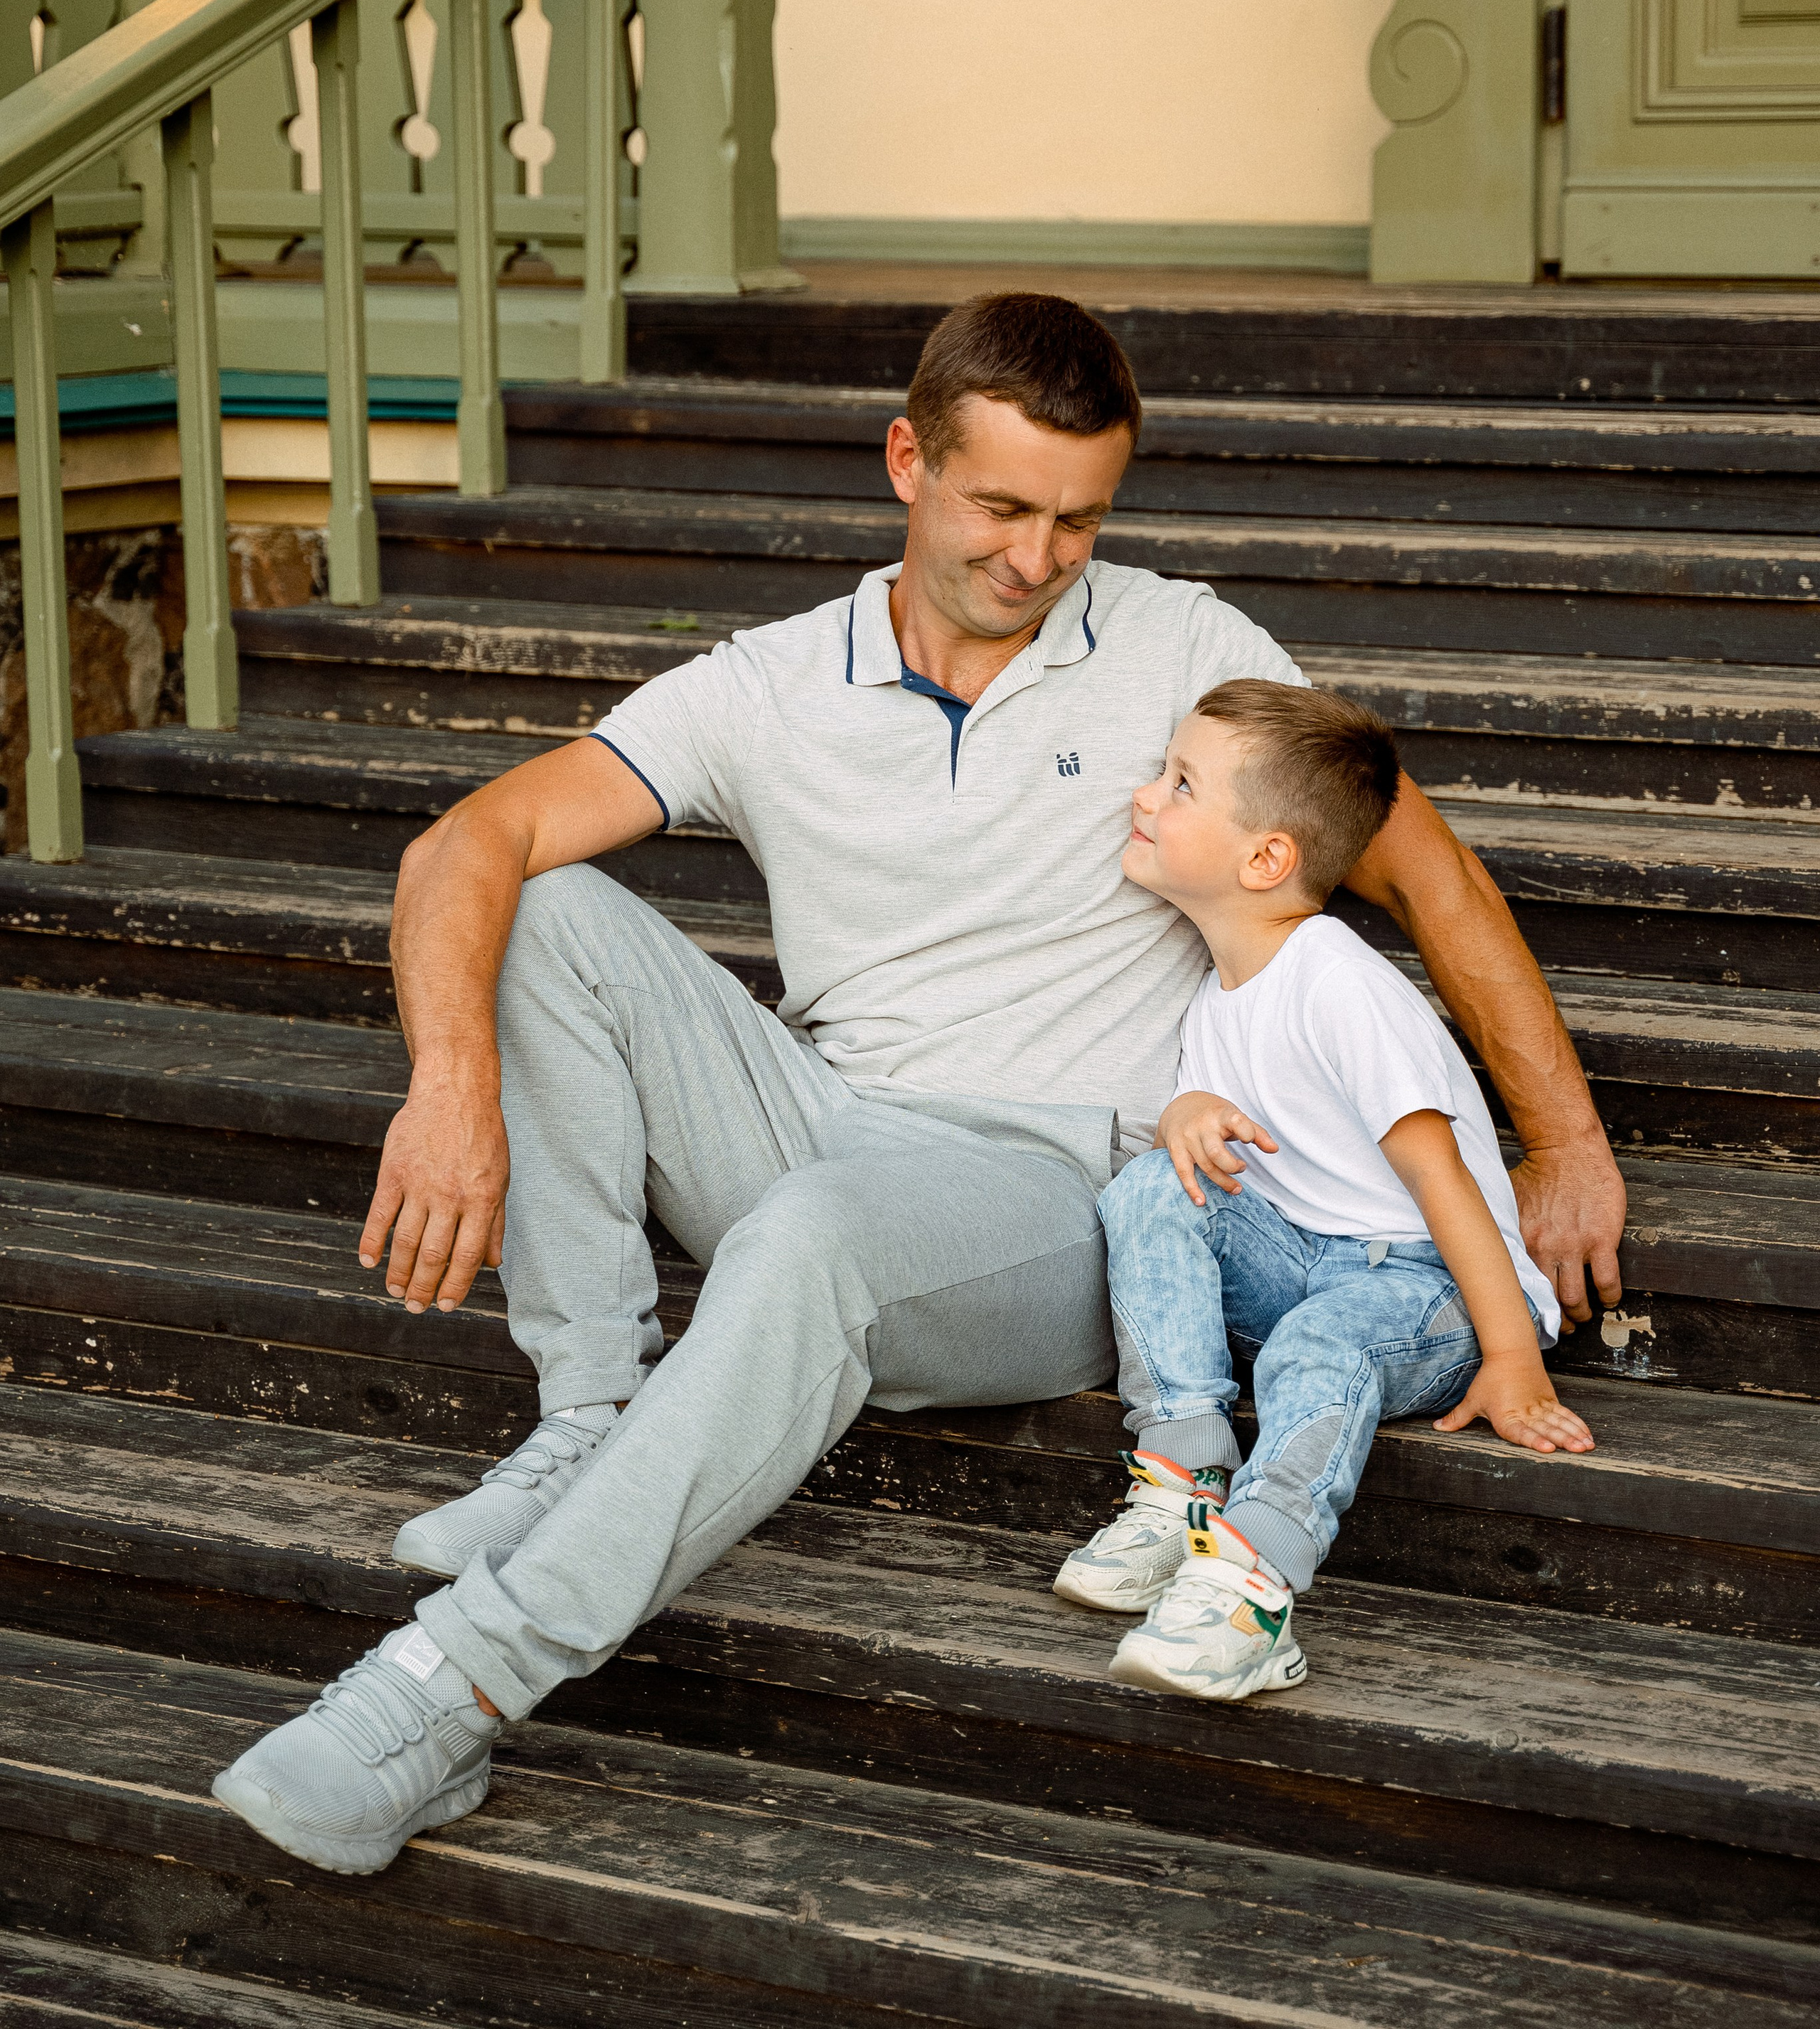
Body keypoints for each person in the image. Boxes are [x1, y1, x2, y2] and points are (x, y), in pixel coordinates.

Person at [213, 293, 1624, 1874]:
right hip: (822, 1125)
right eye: (1000, 508)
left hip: (1055, 1192)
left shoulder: (1184, 646)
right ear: (908, 460)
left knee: (815, 1232)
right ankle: (591, 1415)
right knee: (539, 908)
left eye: (1078, 520)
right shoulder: (770, 680)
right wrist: (451, 1086)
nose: (1036, 558)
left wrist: (1562, 1144)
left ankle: (445, 1690)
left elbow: (1424, 872)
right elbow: (467, 840)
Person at [1054, 678, 1595, 1702]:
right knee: (1152, 1188)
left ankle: (1250, 1590)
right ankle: (1183, 1483)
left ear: (1266, 859)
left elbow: (1442, 1180)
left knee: (1318, 1342)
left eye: (1180, 784)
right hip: (1306, 1259)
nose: (1144, 797)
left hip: (1435, 1290)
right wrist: (1182, 1115)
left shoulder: (1337, 981)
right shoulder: (1216, 994)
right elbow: (1219, 1146)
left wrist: (1514, 1357)